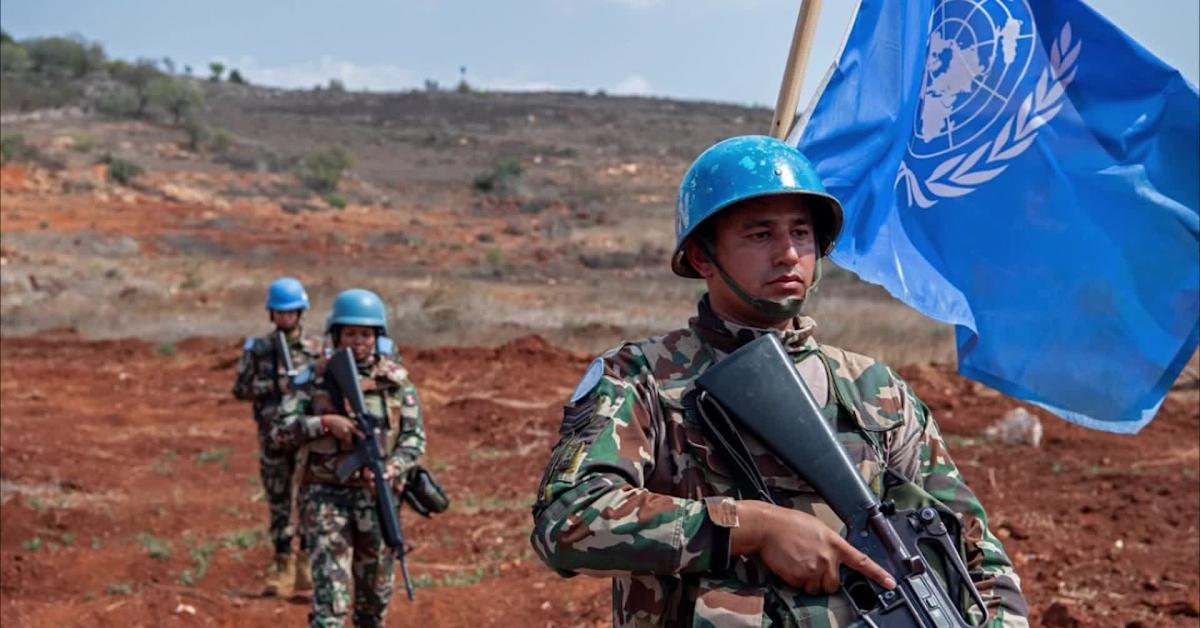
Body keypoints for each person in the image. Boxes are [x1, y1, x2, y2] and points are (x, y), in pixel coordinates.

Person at [530, 136, 1029, 626]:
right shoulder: (641, 377)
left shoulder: (875, 390)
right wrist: (751, 527)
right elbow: (567, 519)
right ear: (702, 257)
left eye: (801, 233)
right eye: (760, 234)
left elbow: (973, 550)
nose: (788, 253)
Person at [271, 288, 426, 628]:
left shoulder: (395, 382)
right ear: (337, 335)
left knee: (374, 602)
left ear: (377, 337)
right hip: (325, 498)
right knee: (331, 603)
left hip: (377, 498)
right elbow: (280, 431)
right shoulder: (314, 377)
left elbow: (414, 439)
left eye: (365, 334)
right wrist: (325, 424)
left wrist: (391, 468)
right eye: (351, 333)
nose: (358, 342)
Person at [232, 276, 323, 597]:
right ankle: (282, 564)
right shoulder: (259, 349)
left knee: (309, 499)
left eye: (291, 312)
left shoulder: (316, 349)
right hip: (272, 438)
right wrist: (275, 386)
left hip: (306, 436)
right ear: (272, 314)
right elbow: (241, 389)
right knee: (279, 501)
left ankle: (306, 564)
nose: (285, 318)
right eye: (280, 312)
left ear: (300, 312)